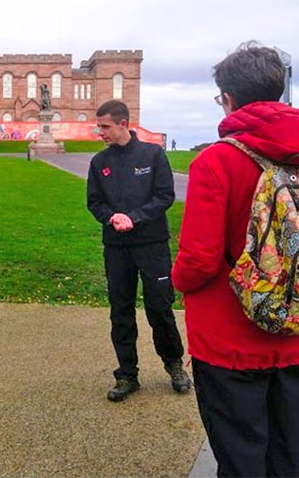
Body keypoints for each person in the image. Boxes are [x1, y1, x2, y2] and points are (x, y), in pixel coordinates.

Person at [170, 41, 299, 476]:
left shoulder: (218, 162)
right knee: (285, 456)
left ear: (227, 98)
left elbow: (200, 260)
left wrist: (176, 280)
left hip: (230, 340)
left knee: (241, 457)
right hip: (296, 331)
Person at [86, 99, 191, 402]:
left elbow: (164, 196)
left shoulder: (152, 154)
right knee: (121, 309)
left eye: (105, 126)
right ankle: (127, 374)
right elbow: (94, 201)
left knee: (159, 307)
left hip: (152, 245)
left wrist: (135, 217)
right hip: (117, 248)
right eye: (99, 127)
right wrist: (112, 218)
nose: (100, 132)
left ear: (122, 123)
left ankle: (174, 364)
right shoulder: (100, 162)